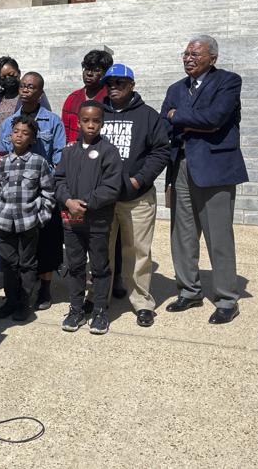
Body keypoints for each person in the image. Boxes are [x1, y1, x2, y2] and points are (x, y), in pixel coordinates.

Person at [161, 35, 248, 325]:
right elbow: (165, 121)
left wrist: (180, 117)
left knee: (218, 235)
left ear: (212, 58)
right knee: (182, 234)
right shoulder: (176, 88)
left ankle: (226, 298)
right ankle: (189, 290)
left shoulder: (227, 81)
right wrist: (187, 118)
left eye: (196, 54)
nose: (188, 58)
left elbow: (215, 118)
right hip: (181, 165)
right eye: (186, 53)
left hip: (215, 168)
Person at [101, 64, 170, 328]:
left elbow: (161, 151)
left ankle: (142, 303)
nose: (114, 87)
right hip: (104, 198)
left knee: (138, 252)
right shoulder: (98, 113)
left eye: (120, 83)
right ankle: (98, 298)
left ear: (131, 85)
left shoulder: (148, 116)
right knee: (101, 251)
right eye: (110, 83)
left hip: (137, 197)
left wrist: (139, 179)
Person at [0, 72, 66, 310]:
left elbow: (59, 158)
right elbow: (1, 158)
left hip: (41, 191)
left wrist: (42, 195)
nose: (26, 90)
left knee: (46, 246)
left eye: (32, 87)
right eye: (23, 86)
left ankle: (44, 290)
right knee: (15, 256)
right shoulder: (9, 123)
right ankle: (13, 297)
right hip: (15, 196)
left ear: (40, 92)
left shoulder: (53, 121)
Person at [55, 101, 122, 334]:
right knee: (74, 265)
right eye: (86, 120)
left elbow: (112, 187)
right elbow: (58, 180)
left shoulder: (109, 152)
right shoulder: (69, 151)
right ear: (79, 121)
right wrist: (68, 201)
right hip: (72, 221)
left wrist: (86, 203)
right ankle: (76, 309)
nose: (91, 125)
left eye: (96, 121)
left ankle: (100, 310)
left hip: (98, 221)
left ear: (102, 123)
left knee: (100, 266)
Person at [0, 115, 55, 321]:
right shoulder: (3, 162)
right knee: (9, 263)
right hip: (5, 221)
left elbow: (48, 193)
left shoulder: (38, 162)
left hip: (28, 222)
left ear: (32, 139)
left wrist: (41, 217)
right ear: (10, 135)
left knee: (27, 263)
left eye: (25, 133)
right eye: (16, 131)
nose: (19, 136)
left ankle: (24, 304)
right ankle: (11, 301)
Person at [0, 56, 51, 169]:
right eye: (3, 77)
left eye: (11, 75)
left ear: (19, 73)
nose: (8, 79)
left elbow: (43, 122)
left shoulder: (31, 96)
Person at [61, 50, 113, 144]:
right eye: (87, 68)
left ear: (105, 73)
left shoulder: (111, 99)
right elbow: (65, 133)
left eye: (96, 70)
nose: (89, 73)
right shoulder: (72, 98)